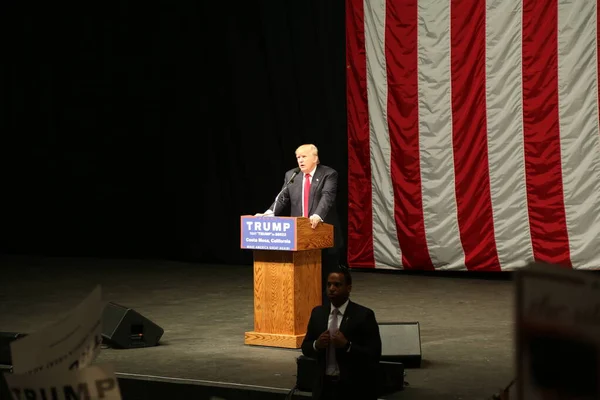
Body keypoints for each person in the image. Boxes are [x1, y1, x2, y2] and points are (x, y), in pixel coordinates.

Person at [259, 144, 343, 304]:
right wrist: (269, 213)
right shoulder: (292, 175)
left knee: (327, 276)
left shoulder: (328, 174)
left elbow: (327, 196)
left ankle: (331, 311)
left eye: (304, 156)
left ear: (315, 158)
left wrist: (318, 214)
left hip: (324, 234)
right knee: (303, 277)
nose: (300, 160)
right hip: (300, 235)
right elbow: (283, 197)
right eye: (298, 157)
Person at [301, 268, 382, 400]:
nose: (332, 288)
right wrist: (317, 344)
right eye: (329, 285)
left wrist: (347, 346)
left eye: (337, 285)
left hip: (352, 388)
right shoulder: (318, 313)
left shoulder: (363, 315)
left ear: (348, 288)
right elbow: (306, 347)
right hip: (323, 388)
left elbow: (374, 354)